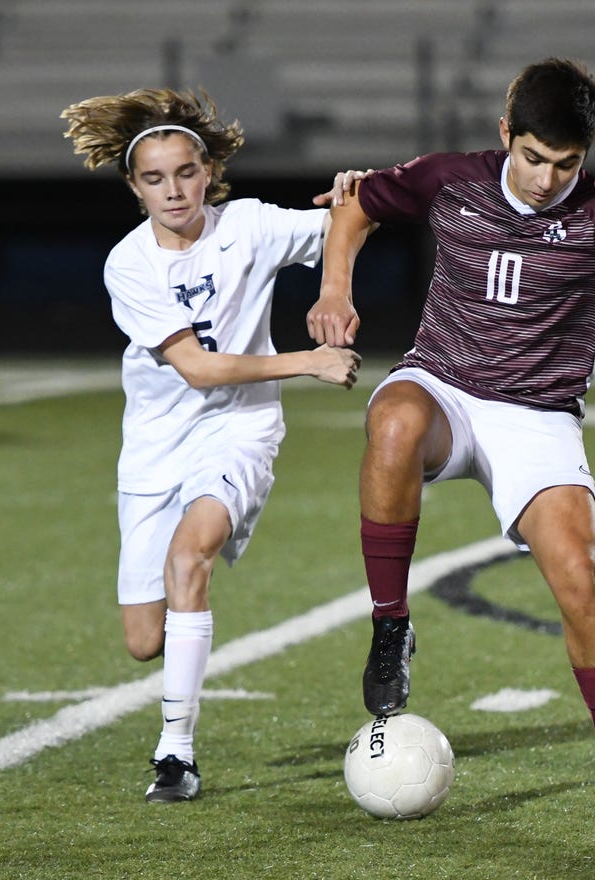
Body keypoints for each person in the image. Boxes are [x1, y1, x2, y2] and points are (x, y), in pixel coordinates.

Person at [307, 57, 595, 813]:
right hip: (443, 387)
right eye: (533, 157)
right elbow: (356, 203)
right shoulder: (452, 178)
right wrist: (335, 287)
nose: (545, 178)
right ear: (506, 135)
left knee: (582, 576)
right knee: (393, 420)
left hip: (538, 415)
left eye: (566, 163)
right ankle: (391, 626)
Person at [61, 88, 362, 803]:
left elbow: (354, 216)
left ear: (208, 172)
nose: (174, 191)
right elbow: (197, 367)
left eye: (186, 173)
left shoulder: (249, 226)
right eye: (155, 179)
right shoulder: (129, 266)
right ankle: (184, 649)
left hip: (240, 428)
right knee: (143, 637)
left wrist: (351, 225)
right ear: (134, 189)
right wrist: (308, 361)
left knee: (189, 555)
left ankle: (176, 753)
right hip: (156, 446)